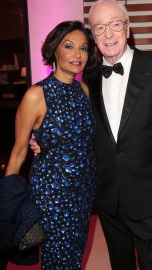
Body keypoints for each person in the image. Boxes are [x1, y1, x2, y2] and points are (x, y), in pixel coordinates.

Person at [31, 0, 152, 270]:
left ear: (127, 29)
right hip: (107, 194)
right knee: (120, 262)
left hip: (149, 192)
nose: (108, 34)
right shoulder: (87, 76)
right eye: (100, 27)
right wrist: (41, 139)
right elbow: (74, 125)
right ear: (93, 36)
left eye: (115, 24)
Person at [5, 20, 97, 270]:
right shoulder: (37, 95)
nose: (77, 55)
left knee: (76, 252)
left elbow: (81, 141)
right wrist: (7, 204)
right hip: (52, 194)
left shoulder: (83, 90)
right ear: (54, 50)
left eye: (84, 48)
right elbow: (19, 150)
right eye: (69, 46)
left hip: (84, 190)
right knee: (57, 259)